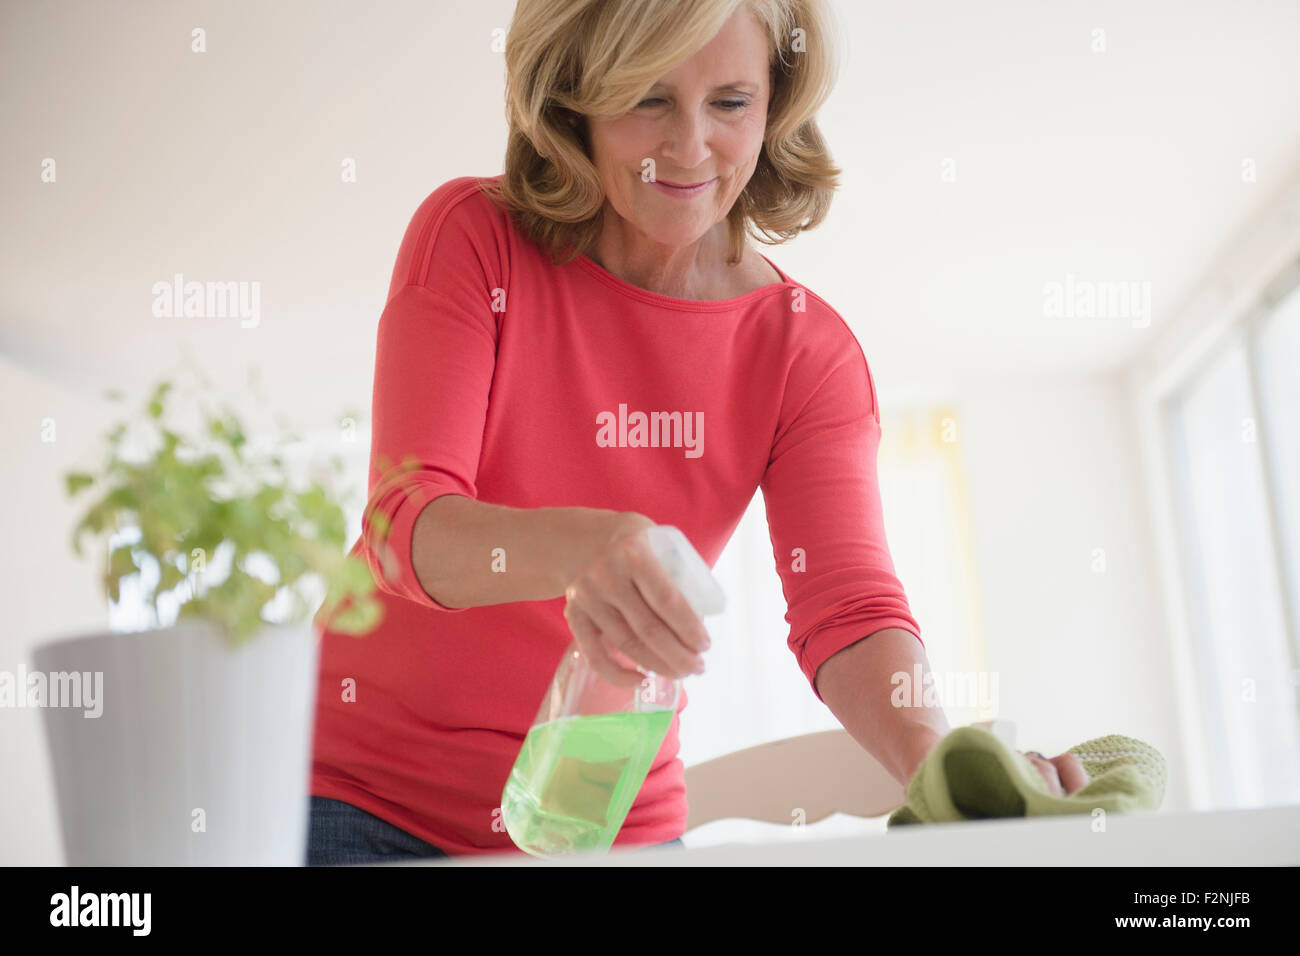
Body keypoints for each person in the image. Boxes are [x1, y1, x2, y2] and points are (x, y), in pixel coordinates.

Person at [307, 0, 1086, 866]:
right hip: (363, 804)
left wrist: (946, 767)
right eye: (646, 97)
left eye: (730, 102)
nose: (688, 148)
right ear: (577, 98)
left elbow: (848, 608)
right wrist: (588, 548)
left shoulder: (803, 351)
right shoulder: (477, 241)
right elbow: (402, 526)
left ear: (775, 102)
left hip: (608, 827)